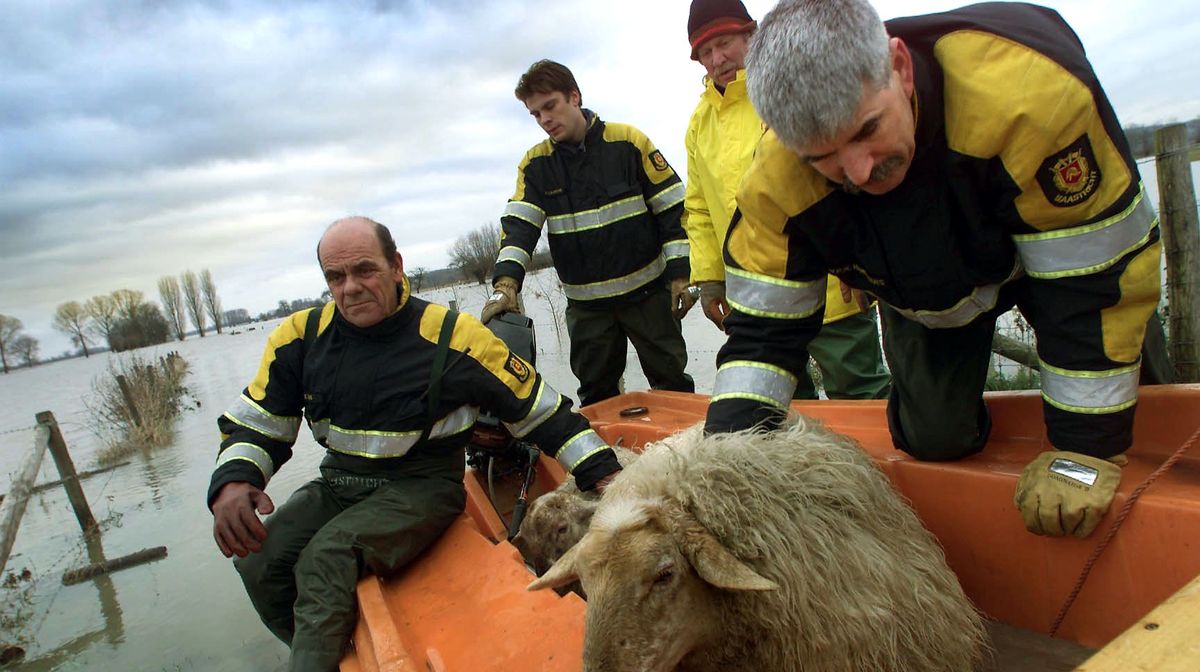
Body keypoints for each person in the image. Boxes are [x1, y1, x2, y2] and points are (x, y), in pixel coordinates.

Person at [704, 0, 1162, 540]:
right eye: (821, 159)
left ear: (899, 67)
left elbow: (1099, 278)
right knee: (934, 438)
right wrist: (724, 473)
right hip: (929, 292)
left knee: (1148, 415)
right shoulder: (775, 180)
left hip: (1056, 259)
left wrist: (1085, 448)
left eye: (865, 129)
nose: (859, 171)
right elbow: (760, 337)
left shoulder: (1029, 98)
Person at [208, 217, 622, 672]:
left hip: (421, 486)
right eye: (336, 277)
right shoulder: (301, 338)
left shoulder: (452, 337)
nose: (350, 288)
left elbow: (540, 410)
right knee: (260, 561)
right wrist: (234, 481)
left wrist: (603, 472)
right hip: (338, 483)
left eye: (365, 270)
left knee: (326, 558)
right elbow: (257, 422)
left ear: (396, 266)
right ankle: (332, 651)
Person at [683, 0, 890, 400]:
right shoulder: (698, 124)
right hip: (758, 301)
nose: (716, 58)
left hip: (835, 288)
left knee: (861, 394)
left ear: (751, 35)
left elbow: (849, 174)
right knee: (782, 408)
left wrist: (864, 263)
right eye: (705, 52)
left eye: (724, 42)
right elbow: (699, 208)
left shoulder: (794, 89)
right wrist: (708, 279)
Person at [481, 60, 696, 406]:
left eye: (550, 106)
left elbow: (674, 212)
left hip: (649, 299)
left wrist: (681, 275)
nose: (545, 119)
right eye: (535, 114)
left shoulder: (628, 142)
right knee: (597, 400)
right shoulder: (536, 165)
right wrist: (505, 285)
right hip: (588, 312)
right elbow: (519, 229)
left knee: (674, 390)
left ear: (575, 97)